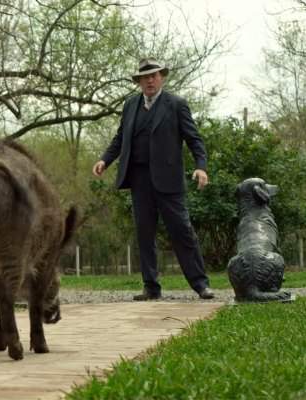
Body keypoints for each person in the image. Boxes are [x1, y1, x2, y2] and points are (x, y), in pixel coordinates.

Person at [91, 58, 215, 301]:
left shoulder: (176, 104)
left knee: (182, 231)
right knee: (144, 233)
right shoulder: (130, 106)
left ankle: (201, 284)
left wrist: (201, 167)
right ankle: (151, 287)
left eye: (154, 76)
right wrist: (105, 159)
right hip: (139, 179)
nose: (149, 80)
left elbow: (194, 139)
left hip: (169, 180)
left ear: (162, 77)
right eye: (145, 77)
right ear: (138, 82)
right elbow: (120, 138)